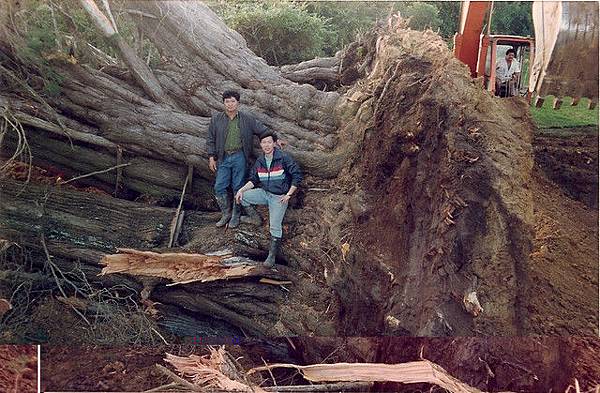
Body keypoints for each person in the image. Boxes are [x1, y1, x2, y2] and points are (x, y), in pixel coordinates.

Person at [235, 131, 302, 267]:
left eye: (269, 142)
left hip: (279, 197)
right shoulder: (260, 161)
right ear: (260, 144)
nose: (266, 145)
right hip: (265, 193)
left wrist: (289, 194)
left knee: (275, 226)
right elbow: (254, 180)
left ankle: (271, 256)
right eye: (264, 142)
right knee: (243, 197)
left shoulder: (283, 157)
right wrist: (241, 190)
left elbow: (297, 175)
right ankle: (256, 219)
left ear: (274, 143)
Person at [206, 90, 268, 228]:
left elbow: (262, 131)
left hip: (240, 156)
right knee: (219, 186)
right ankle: (226, 213)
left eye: (233, 101)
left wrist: (275, 140)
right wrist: (211, 157)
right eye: (227, 101)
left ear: (238, 103)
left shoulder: (247, 118)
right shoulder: (216, 119)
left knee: (237, 186)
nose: (230, 104)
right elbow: (210, 139)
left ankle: (235, 214)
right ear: (223, 103)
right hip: (223, 157)